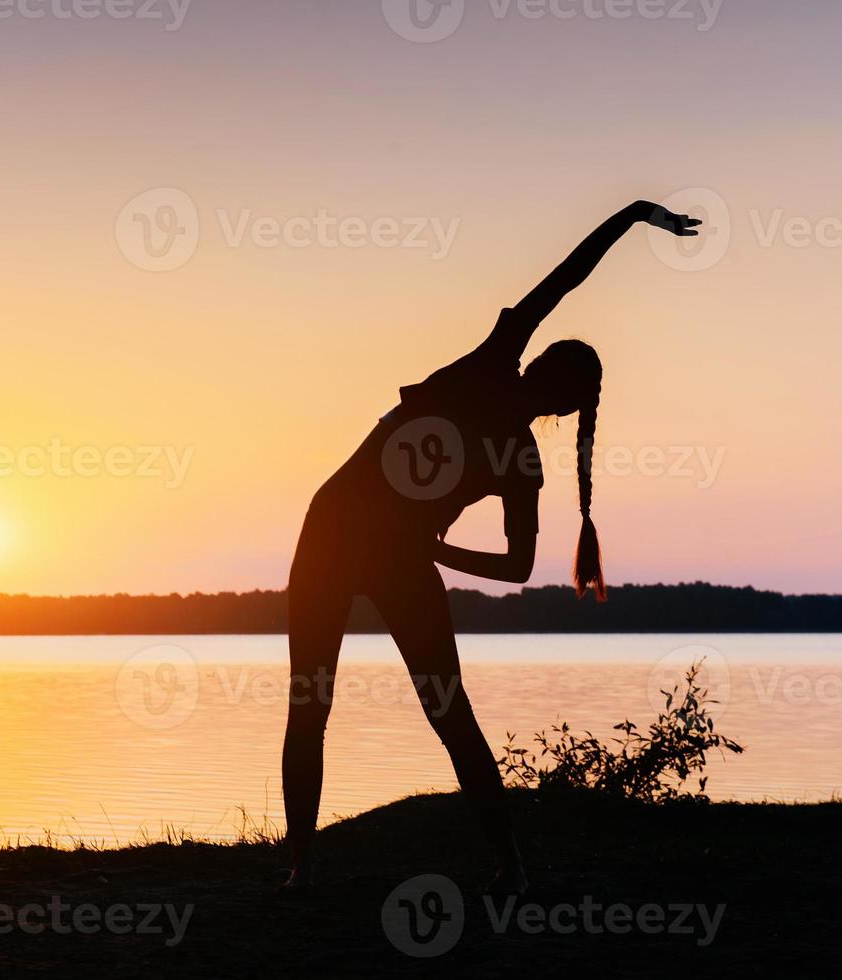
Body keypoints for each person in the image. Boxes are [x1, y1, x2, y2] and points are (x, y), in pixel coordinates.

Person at [280, 200, 702, 894]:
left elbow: (516, 567)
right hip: (335, 533)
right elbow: (565, 278)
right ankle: (309, 863)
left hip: (386, 554)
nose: (547, 383)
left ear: (562, 402)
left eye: (560, 386)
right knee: (320, 702)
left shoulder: (519, 453)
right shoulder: (497, 372)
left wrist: (433, 554)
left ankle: (499, 860)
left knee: (433, 710)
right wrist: (632, 217)